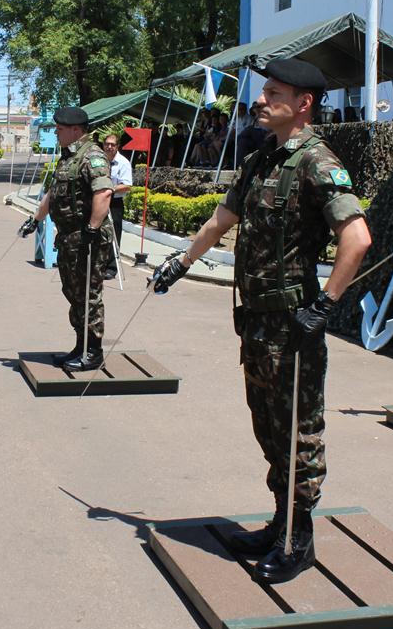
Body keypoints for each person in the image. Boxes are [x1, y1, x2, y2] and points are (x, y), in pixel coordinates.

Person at [150, 59, 372, 584]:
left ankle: (300, 538)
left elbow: (357, 238)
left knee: (298, 428)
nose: (262, 98)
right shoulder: (260, 159)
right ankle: (280, 521)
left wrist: (325, 303)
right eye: (265, 90)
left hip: (293, 323)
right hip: (255, 323)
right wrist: (179, 263)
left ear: (304, 103)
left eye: (275, 92)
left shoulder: (319, 163)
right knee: (268, 426)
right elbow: (220, 220)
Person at [19, 106, 114, 371]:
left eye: (60, 130)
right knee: (73, 293)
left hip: (87, 237)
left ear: (75, 130)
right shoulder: (68, 157)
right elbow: (53, 193)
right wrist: (35, 219)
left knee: (88, 294)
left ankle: (93, 352)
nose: (57, 134)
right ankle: (80, 345)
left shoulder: (92, 156)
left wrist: (92, 231)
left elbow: (104, 193)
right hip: (70, 237)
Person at [101, 133, 132, 279]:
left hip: (114, 202)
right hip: (99, 200)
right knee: (97, 231)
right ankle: (98, 264)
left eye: (112, 144)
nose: (109, 147)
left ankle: (112, 267)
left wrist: (111, 189)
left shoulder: (123, 163)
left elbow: (127, 185)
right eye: (107, 144)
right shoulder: (99, 160)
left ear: (117, 146)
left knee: (113, 233)